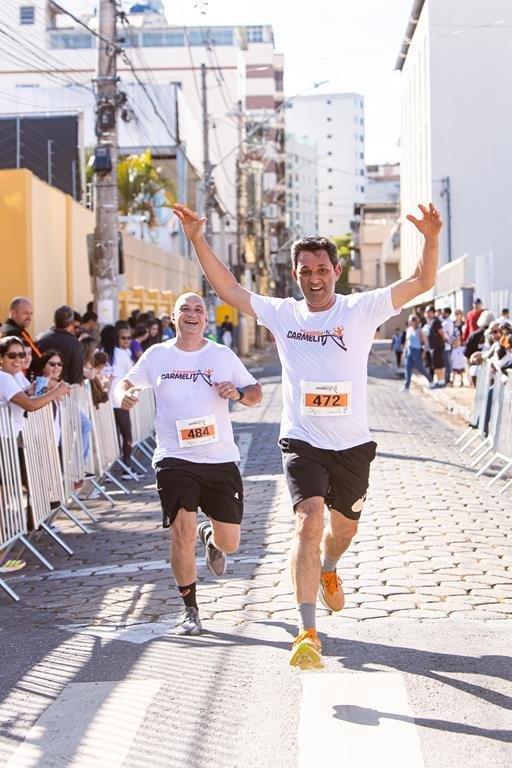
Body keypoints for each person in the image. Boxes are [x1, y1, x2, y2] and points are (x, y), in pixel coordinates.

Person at [173, 201, 442, 669]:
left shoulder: (361, 308)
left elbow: (421, 281)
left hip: (352, 444)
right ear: (294, 275)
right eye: (305, 271)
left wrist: (432, 239)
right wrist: (198, 238)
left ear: (337, 271)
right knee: (308, 520)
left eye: (321, 270)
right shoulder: (283, 314)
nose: (314, 279)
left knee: (343, 529)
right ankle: (307, 631)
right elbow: (229, 288)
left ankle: (329, 568)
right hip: (302, 440)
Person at [115, 292, 262, 635]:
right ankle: (189, 610)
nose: (192, 313)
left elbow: (255, 393)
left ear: (206, 320)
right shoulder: (157, 355)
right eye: (185, 308)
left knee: (230, 542)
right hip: (174, 458)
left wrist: (238, 394)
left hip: (219, 458)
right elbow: (126, 382)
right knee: (181, 532)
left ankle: (210, 535)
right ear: (174, 317)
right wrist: (124, 395)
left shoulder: (222, 355)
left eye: (198, 309)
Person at [101, 324, 138, 479]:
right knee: (126, 433)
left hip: (103, 403)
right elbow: (133, 374)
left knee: (109, 437)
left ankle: (109, 471)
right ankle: (126, 466)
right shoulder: (121, 354)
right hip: (119, 401)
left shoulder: (99, 353)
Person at [0, 296, 42, 361]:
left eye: (31, 314)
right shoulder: (19, 333)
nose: (29, 317)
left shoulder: (2, 330)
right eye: (25, 313)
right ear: (13, 313)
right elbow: (38, 358)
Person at [402, 314, 431, 390]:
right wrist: (404, 351)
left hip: (417, 351)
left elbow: (425, 342)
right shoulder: (408, 330)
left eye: (410, 321)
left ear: (414, 321)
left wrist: (424, 352)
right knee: (408, 368)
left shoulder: (419, 331)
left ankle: (430, 379)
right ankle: (406, 386)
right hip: (409, 350)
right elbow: (407, 341)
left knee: (420, 367)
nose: (409, 322)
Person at [425, 305, 446, 387]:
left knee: (439, 365)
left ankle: (441, 382)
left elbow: (442, 333)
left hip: (438, 347)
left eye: (429, 312)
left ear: (433, 313)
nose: (427, 314)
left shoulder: (436, 321)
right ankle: (439, 381)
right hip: (432, 347)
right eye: (426, 312)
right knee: (435, 365)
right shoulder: (429, 322)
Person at [441, 307, 455, 386]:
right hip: (446, 346)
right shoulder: (445, 322)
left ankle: (447, 381)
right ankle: (446, 380)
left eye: (443, 312)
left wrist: (448, 341)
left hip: (447, 346)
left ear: (447, 313)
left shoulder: (448, 323)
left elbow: (447, 335)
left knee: (448, 364)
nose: (442, 314)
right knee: (446, 364)